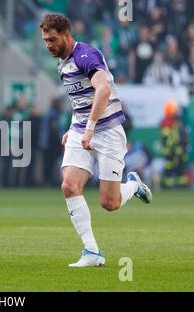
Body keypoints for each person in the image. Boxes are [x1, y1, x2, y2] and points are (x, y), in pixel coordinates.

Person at [39, 13, 152, 267]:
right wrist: (74, 127)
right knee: (69, 186)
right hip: (81, 130)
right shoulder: (62, 63)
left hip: (108, 131)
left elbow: (102, 90)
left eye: (53, 39)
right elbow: (80, 102)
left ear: (67, 34)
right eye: (45, 40)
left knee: (109, 203)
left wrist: (89, 128)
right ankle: (92, 252)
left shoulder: (86, 55)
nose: (48, 45)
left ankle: (132, 185)